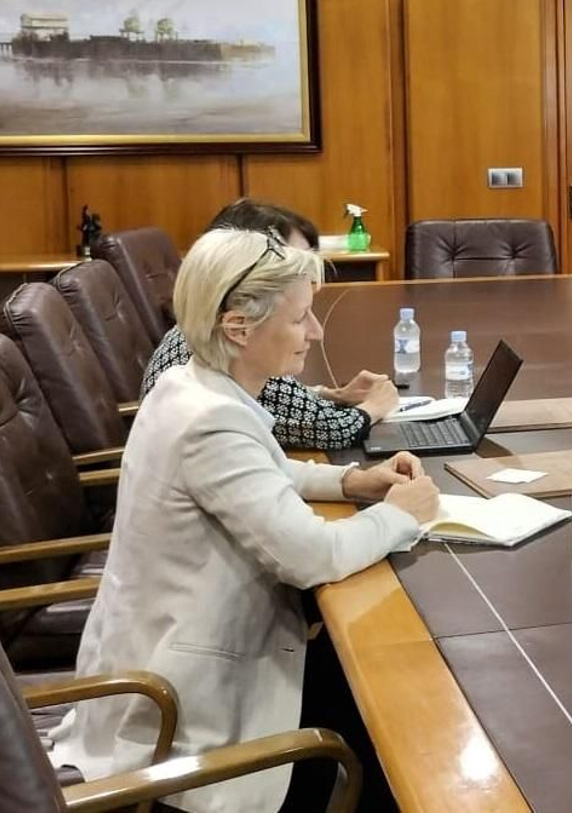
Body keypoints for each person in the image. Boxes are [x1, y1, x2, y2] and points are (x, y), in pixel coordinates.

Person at [52, 228, 441, 812]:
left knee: (367, 685)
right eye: (300, 319)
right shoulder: (211, 420)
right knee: (392, 733)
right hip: (193, 708)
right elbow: (313, 556)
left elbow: (261, 469)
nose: (315, 333)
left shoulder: (191, 386)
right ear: (238, 327)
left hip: (173, 653)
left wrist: (349, 480)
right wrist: (398, 516)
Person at [141, 198, 400, 448]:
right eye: (290, 260)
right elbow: (331, 428)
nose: (305, 273)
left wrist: (331, 395)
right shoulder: (233, 350)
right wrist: (375, 406)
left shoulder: (208, 320)